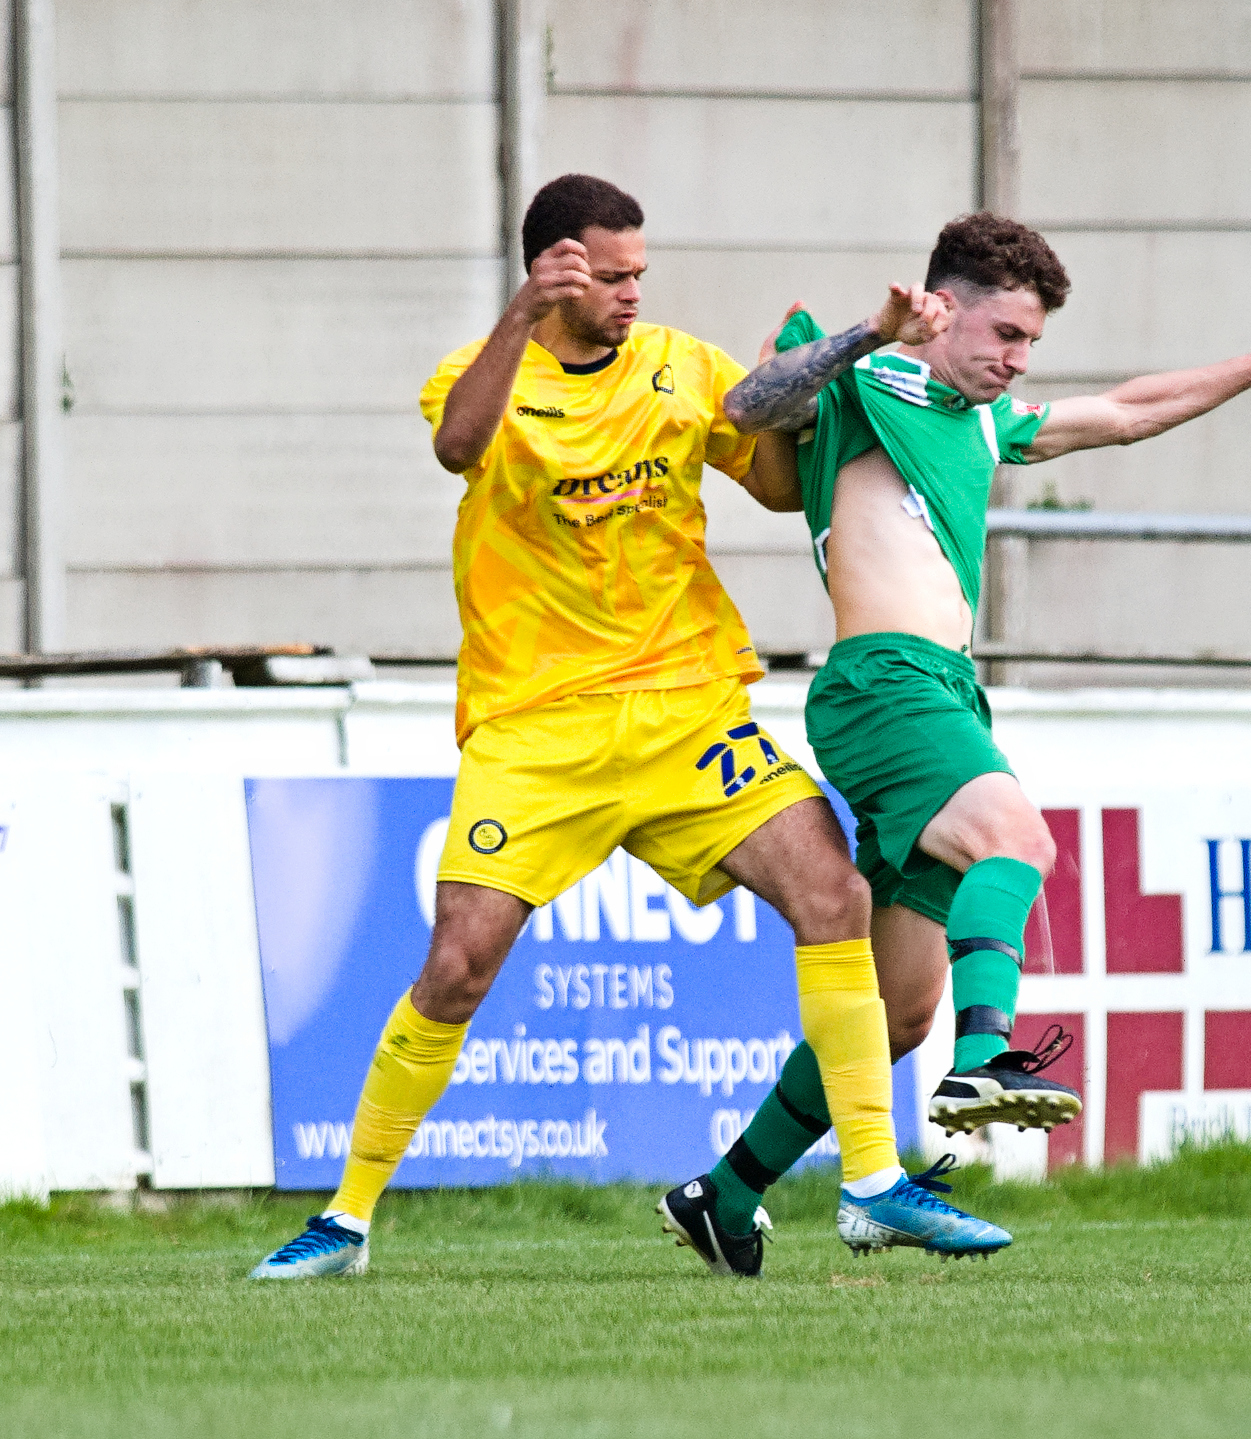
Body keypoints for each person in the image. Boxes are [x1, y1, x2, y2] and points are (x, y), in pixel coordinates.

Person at [248, 175, 1008, 1283]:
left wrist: (851, 368)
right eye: (610, 276)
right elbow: (459, 448)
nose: (631, 294)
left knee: (832, 891)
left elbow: (766, 462)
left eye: (639, 273)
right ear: (554, 270)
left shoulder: (682, 366)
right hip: (536, 727)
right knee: (456, 966)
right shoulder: (483, 376)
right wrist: (516, 316)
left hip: (684, 712)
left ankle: (869, 1182)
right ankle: (346, 1220)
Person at [704, 212, 1251, 1217]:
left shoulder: (982, 421)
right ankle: (986, 1061)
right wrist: (869, 332)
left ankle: (725, 1189)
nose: (1016, 360)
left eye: (1031, 344)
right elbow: (749, 408)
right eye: (1004, 335)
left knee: (893, 1012)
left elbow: (1130, 410)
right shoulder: (864, 380)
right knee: (1017, 839)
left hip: (940, 692)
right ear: (945, 309)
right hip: (884, 682)